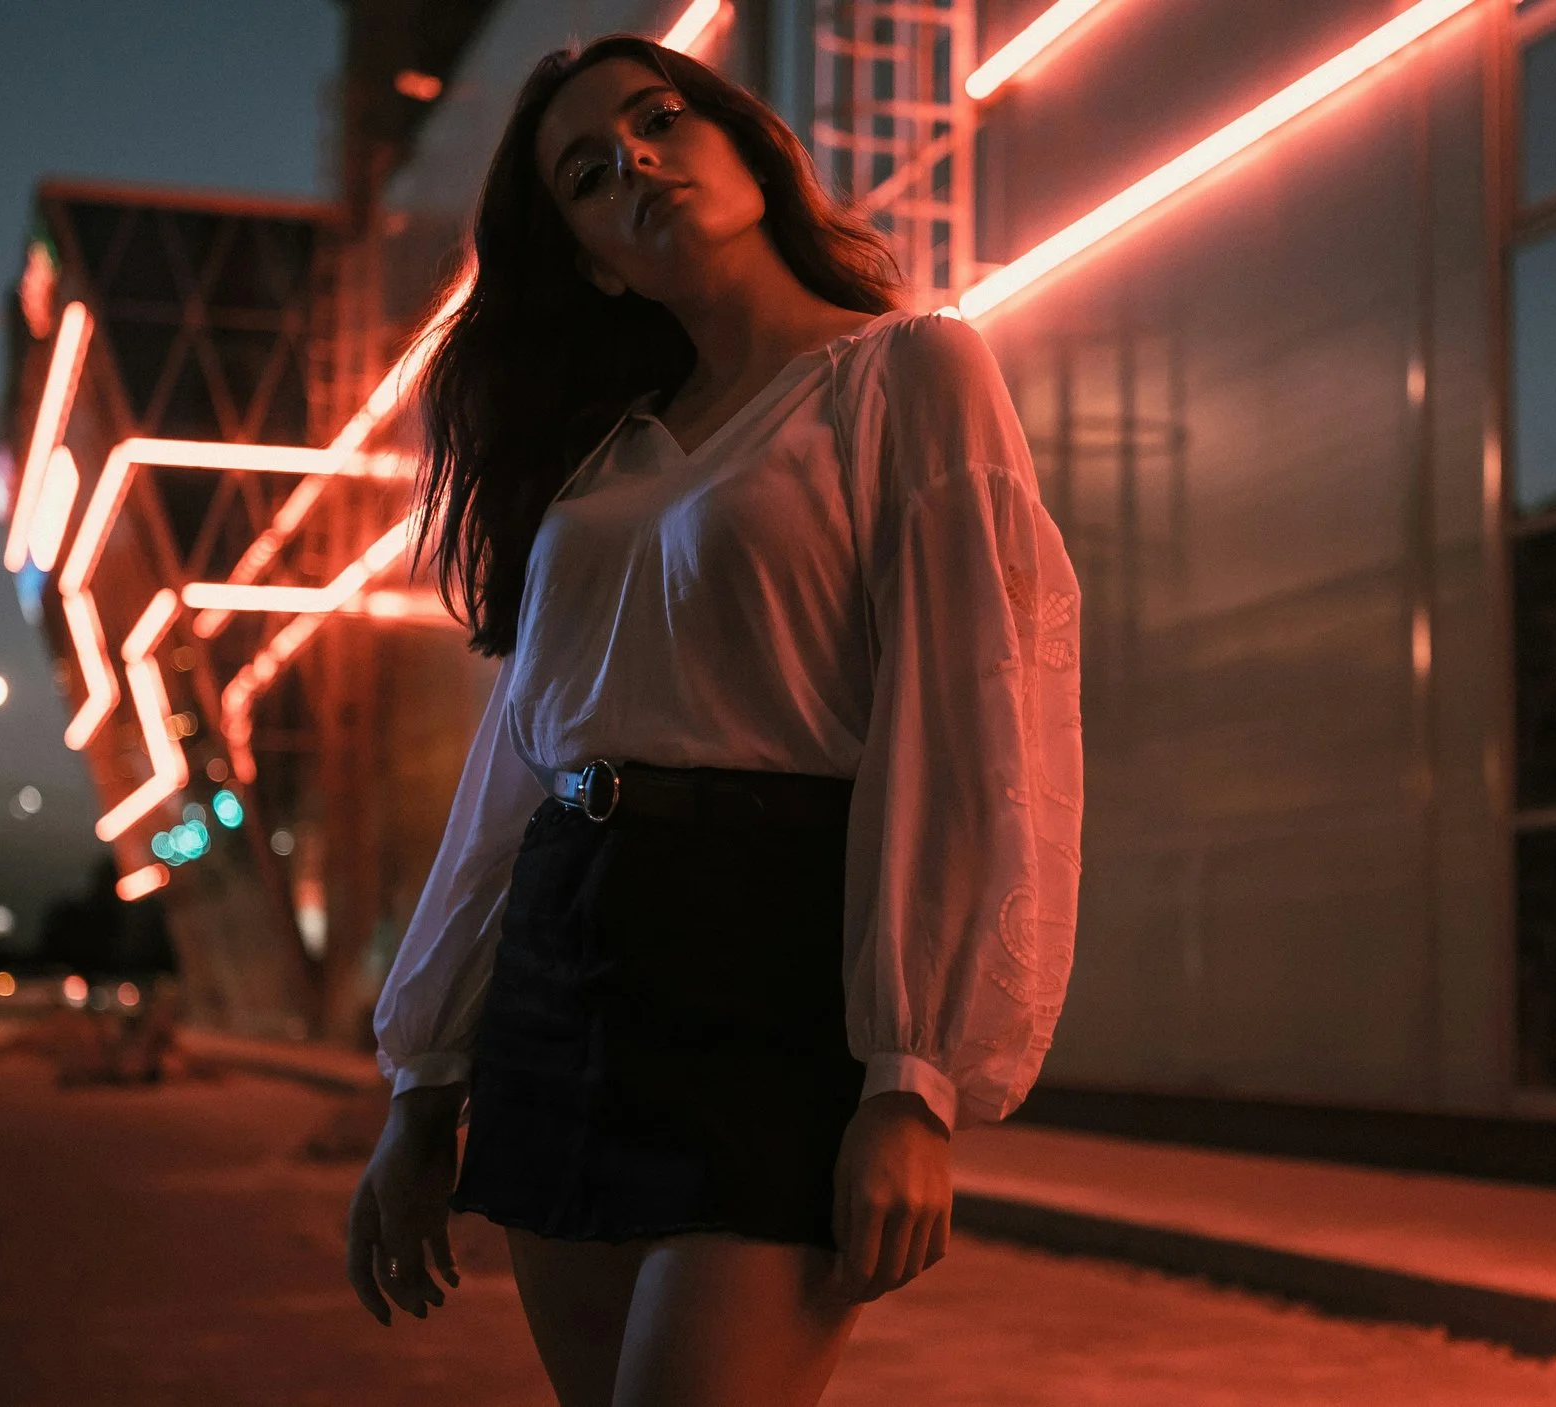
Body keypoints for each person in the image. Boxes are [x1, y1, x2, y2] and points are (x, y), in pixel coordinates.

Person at [344, 31, 1083, 1407]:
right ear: (595, 261)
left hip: (771, 960)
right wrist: (421, 1084)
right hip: (564, 963)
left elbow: (971, 722)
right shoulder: (602, 461)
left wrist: (911, 1075)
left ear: (749, 145)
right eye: (585, 171)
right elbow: (515, 769)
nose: (633, 158)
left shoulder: (910, 374)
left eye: (659, 117)